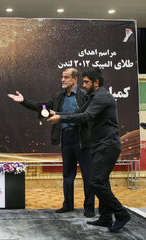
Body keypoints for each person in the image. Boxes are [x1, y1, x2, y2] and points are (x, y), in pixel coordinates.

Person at [48, 68, 131, 231]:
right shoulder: (94, 97)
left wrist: (60, 118)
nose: (83, 85)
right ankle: (106, 218)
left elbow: (86, 116)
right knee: (102, 181)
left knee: (95, 181)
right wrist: (58, 114)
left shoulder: (102, 97)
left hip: (108, 146)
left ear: (96, 83)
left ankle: (121, 214)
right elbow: (78, 111)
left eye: (86, 82)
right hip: (100, 145)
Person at [8, 68, 95, 217]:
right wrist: (23, 102)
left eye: (66, 77)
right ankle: (67, 205)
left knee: (88, 175)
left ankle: (89, 208)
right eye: (62, 77)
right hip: (66, 138)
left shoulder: (84, 96)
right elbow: (42, 107)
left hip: (82, 140)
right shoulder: (58, 97)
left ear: (75, 80)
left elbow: (86, 116)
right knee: (68, 175)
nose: (63, 80)